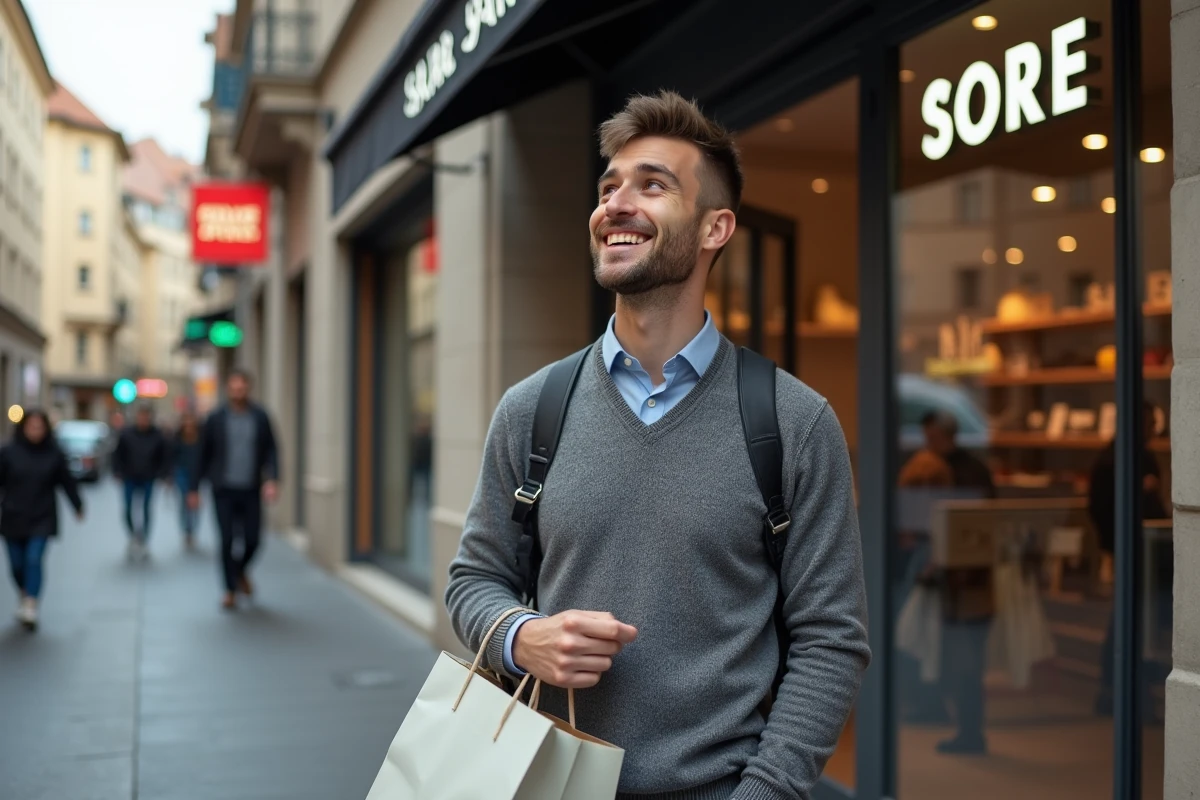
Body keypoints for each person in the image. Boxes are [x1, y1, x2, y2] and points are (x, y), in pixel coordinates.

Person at [445, 91, 870, 799]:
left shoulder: (793, 423)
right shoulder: (532, 410)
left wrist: (766, 792)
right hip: (548, 782)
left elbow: (831, 639)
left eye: (652, 184)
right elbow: (472, 581)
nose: (616, 202)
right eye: (609, 186)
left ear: (714, 228)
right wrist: (524, 636)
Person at [1088, 400, 1170, 715]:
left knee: (1137, 621)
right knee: (1132, 621)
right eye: (1149, 424)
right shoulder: (1115, 460)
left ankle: (1127, 689)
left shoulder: (1137, 456)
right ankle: (1124, 690)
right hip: (1134, 551)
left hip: (1146, 551)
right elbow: (1102, 508)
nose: (1153, 431)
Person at [188, 369, 280, 611]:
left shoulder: (260, 417)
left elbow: (272, 449)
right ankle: (229, 590)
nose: (238, 392)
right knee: (227, 540)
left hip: (251, 488)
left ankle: (239, 572)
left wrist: (273, 479)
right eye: (234, 387)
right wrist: (193, 488)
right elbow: (202, 454)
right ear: (228, 389)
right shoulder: (216, 418)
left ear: (248, 389)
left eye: (242, 388)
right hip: (223, 489)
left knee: (253, 540)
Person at [0, 409, 84, 631]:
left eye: (40, 427)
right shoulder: (8, 452)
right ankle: (24, 592)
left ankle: (31, 603)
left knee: (34, 559)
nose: (35, 431)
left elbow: (67, 481)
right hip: (12, 517)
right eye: (31, 426)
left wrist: (77, 505)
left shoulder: (54, 454)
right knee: (17, 565)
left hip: (42, 516)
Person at [112, 404, 170, 561]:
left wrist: (163, 474)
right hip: (129, 477)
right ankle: (133, 536)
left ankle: (144, 539)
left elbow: (164, 456)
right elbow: (117, 454)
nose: (144, 420)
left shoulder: (157, 435)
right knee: (128, 509)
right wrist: (118, 471)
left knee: (146, 509)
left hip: (148, 477)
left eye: (146, 416)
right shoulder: (127, 434)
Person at [170, 409, 204, 550]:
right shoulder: (177, 438)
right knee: (184, 502)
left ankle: (193, 528)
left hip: (198, 473)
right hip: (181, 473)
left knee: (195, 503)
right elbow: (172, 456)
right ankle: (187, 530)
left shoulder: (202, 438)